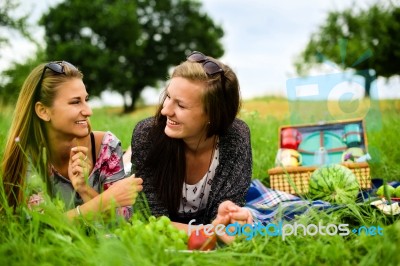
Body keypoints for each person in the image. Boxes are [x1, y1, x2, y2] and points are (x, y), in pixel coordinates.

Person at [1, 61, 143, 221]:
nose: (88, 111)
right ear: (43, 111)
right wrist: (106, 199)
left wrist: (84, 189)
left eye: (86, 100)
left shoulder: (106, 146)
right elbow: (41, 226)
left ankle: (129, 154)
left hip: (127, 168)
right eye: (75, 102)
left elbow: (122, 221)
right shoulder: (27, 155)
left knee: (133, 157)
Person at [130, 51, 253, 235]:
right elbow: (150, 219)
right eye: (168, 97)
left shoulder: (236, 137)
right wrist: (207, 232)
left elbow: (223, 220)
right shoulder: (146, 135)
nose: (165, 110)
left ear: (213, 115)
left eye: (181, 105)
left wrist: (226, 216)